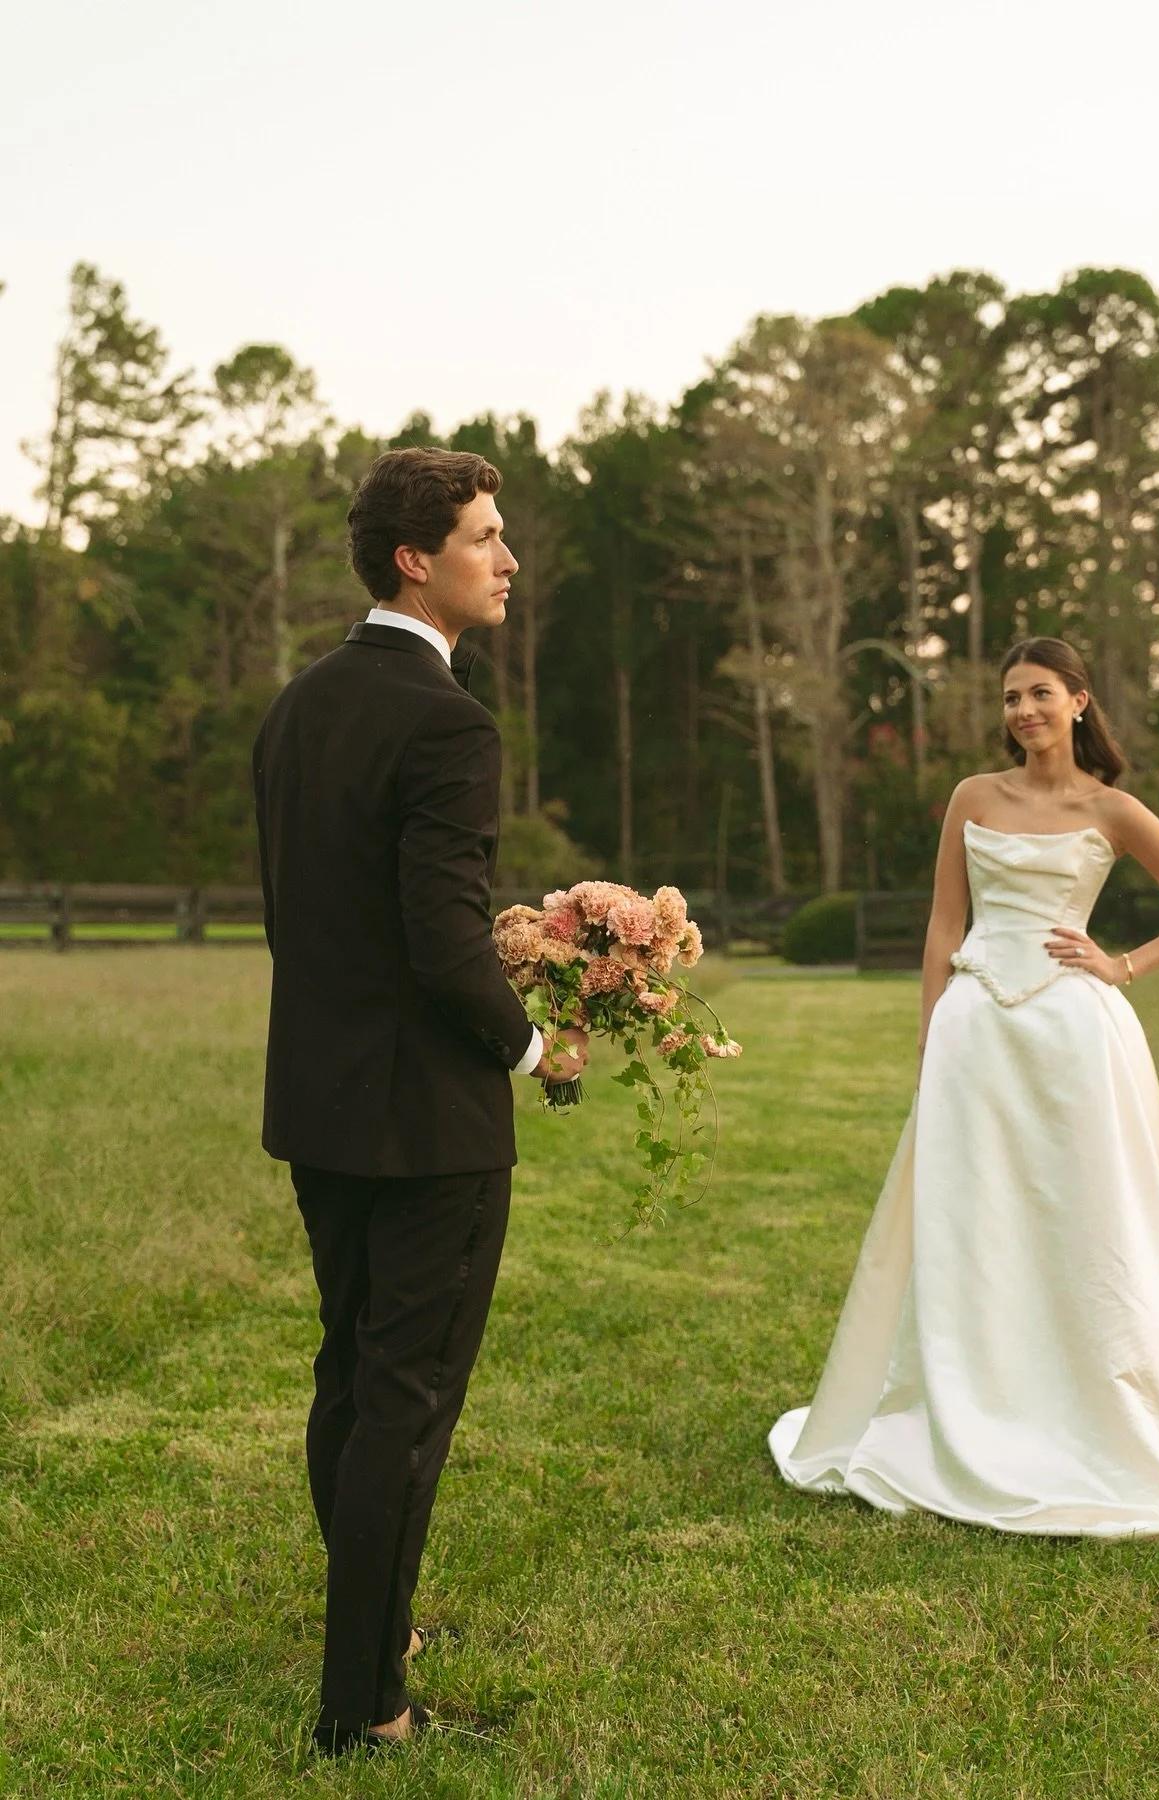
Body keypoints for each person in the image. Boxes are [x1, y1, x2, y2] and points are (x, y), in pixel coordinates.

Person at [252, 446, 588, 1755]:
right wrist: (535, 1047)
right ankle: (366, 1704)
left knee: (350, 1378)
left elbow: (326, 918)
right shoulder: (448, 722)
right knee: (404, 1406)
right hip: (425, 1124)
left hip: (319, 1101)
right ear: (415, 559)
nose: (508, 560)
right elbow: (442, 948)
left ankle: (373, 1634)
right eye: (485, 538)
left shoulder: (296, 708)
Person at [769, 636, 1159, 1540]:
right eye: (1012, 697)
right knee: (970, 1220)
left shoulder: (1114, 809)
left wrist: (1120, 964)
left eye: (1040, 693)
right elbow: (946, 923)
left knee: (1083, 1217)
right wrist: (931, 1032)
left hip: (1075, 1040)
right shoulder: (973, 797)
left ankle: (1087, 1421)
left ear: (1080, 701)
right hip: (976, 1031)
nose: (1023, 711)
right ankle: (962, 1406)